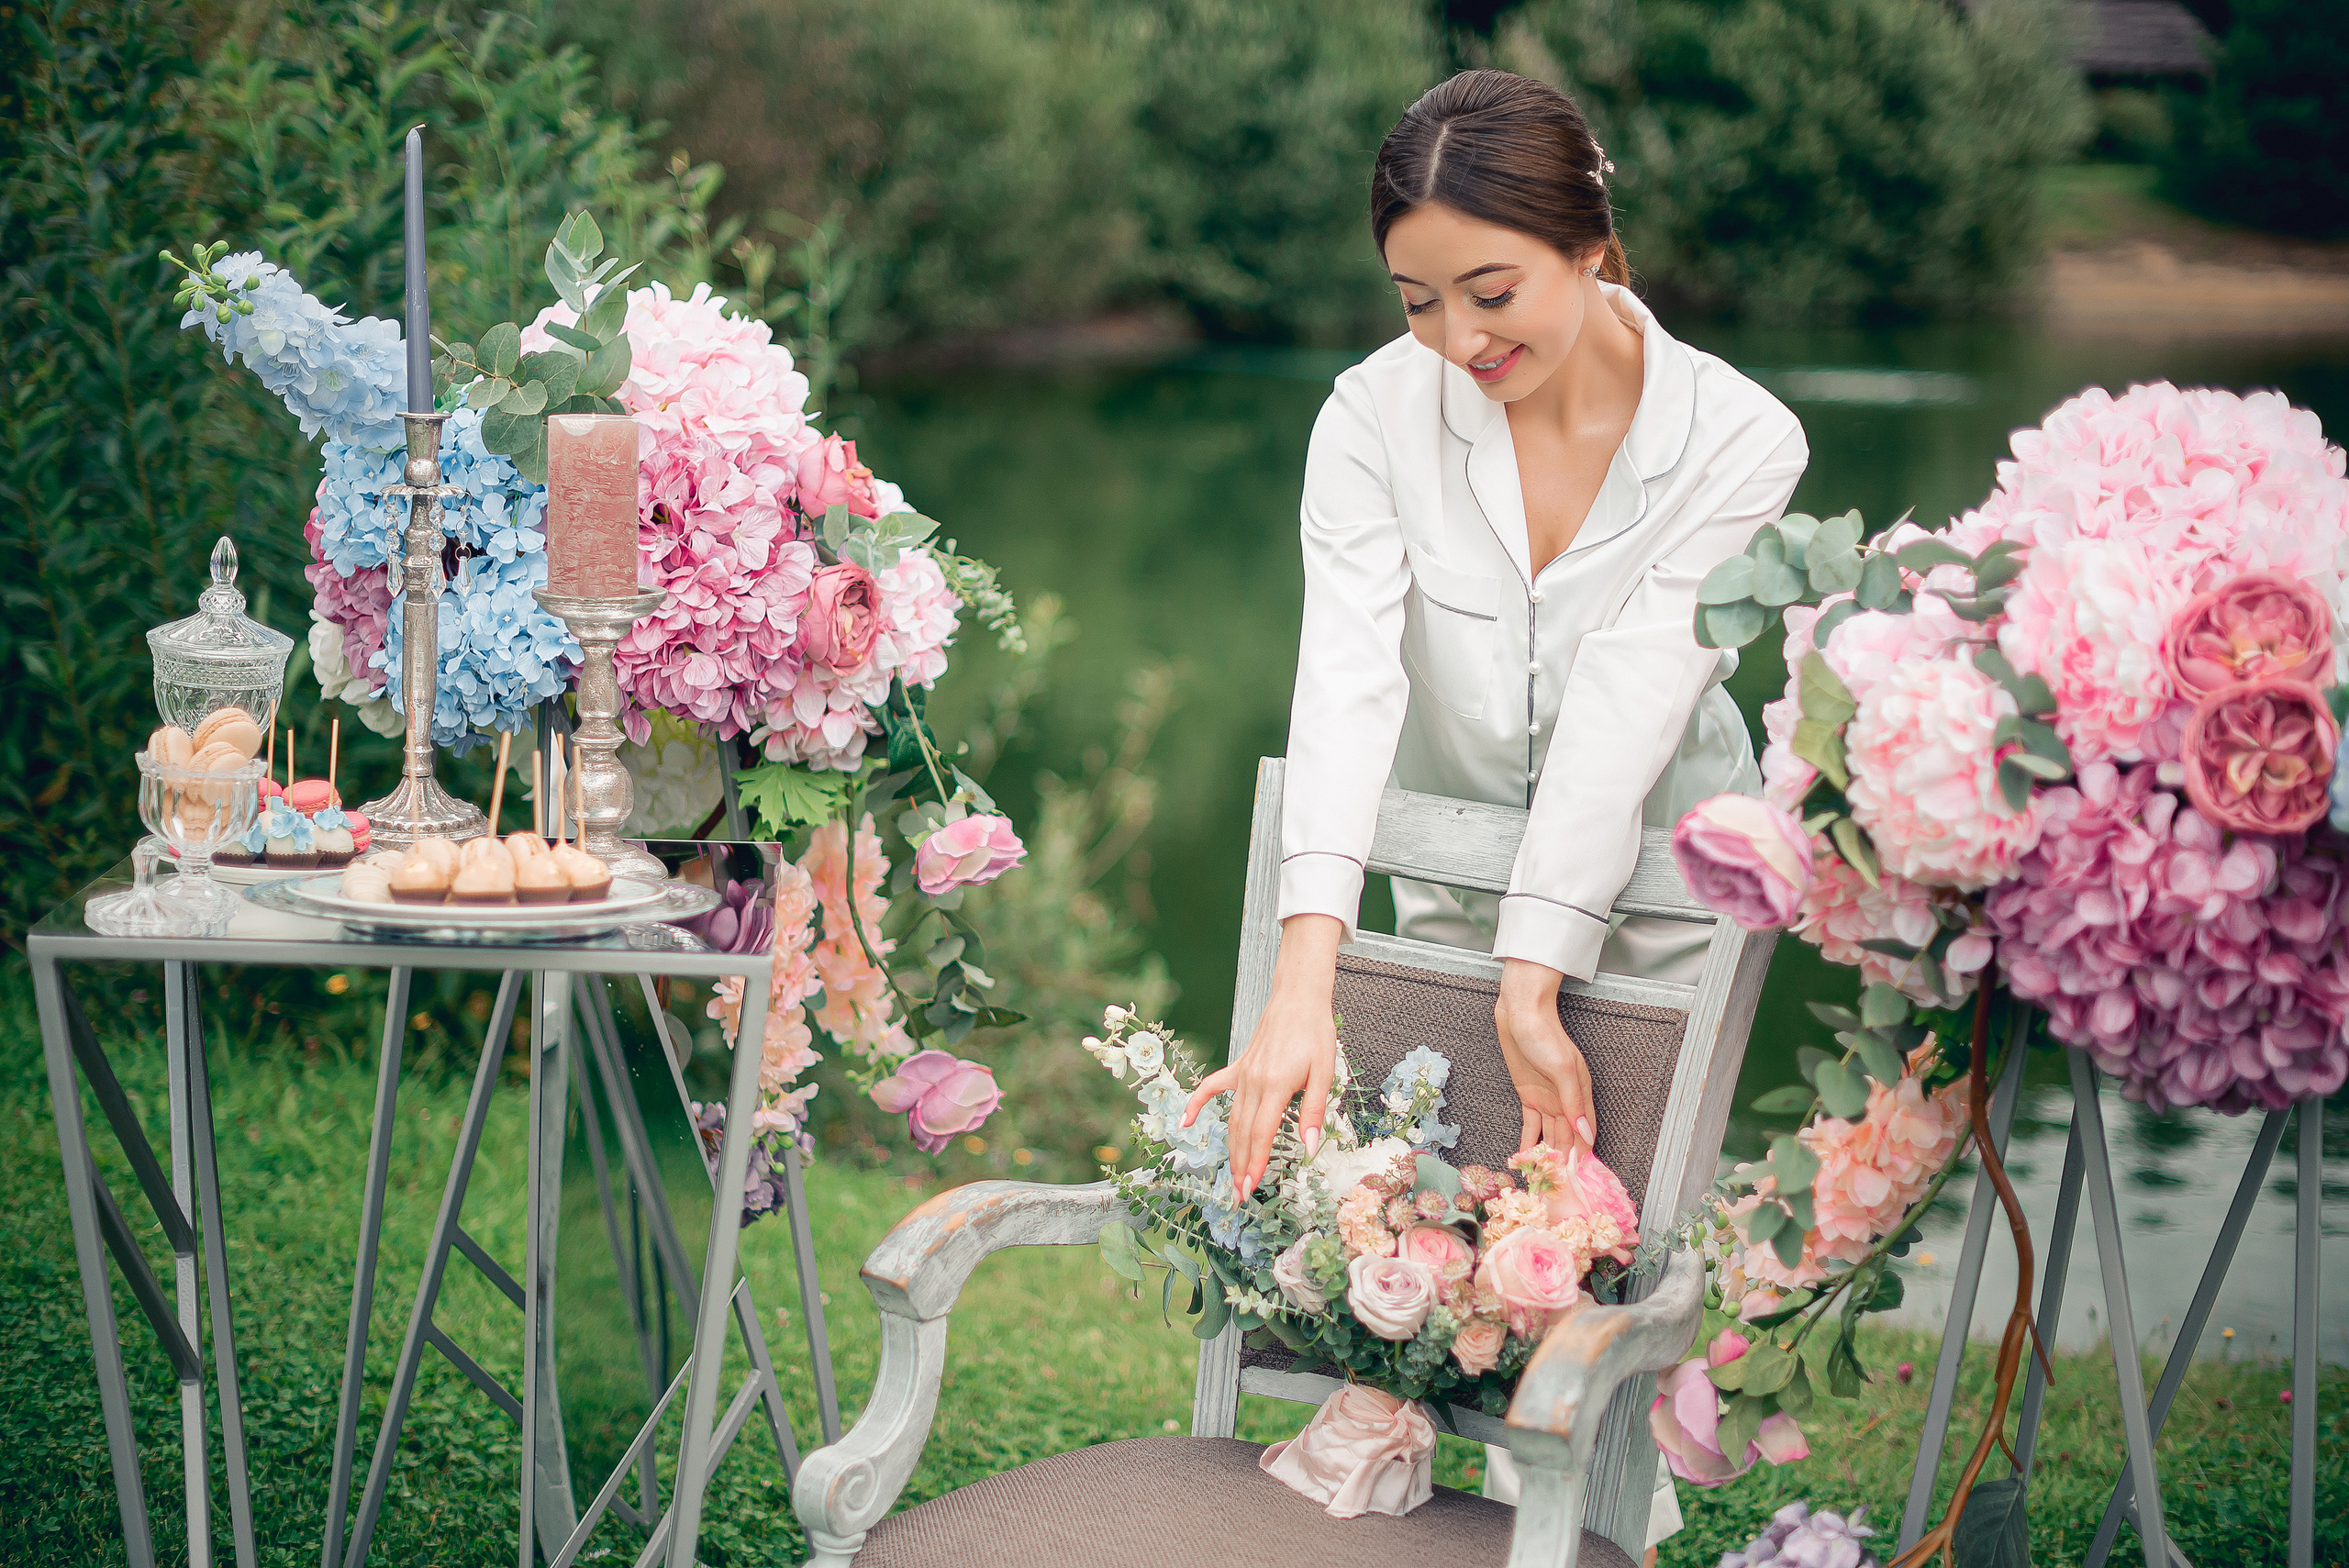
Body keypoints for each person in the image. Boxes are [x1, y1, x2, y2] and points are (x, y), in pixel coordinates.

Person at [1183, 69, 1809, 1557]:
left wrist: (1540, 973)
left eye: (1492, 291)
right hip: (1445, 872)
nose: (1460, 342)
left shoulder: (1744, 437)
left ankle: (1599, 1530)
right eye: (1417, 302)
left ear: (1592, 246)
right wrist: (1306, 975)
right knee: (1425, 1212)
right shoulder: (1369, 418)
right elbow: (1346, 680)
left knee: (1608, 1251)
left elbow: (1633, 694)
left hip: (1664, 889)